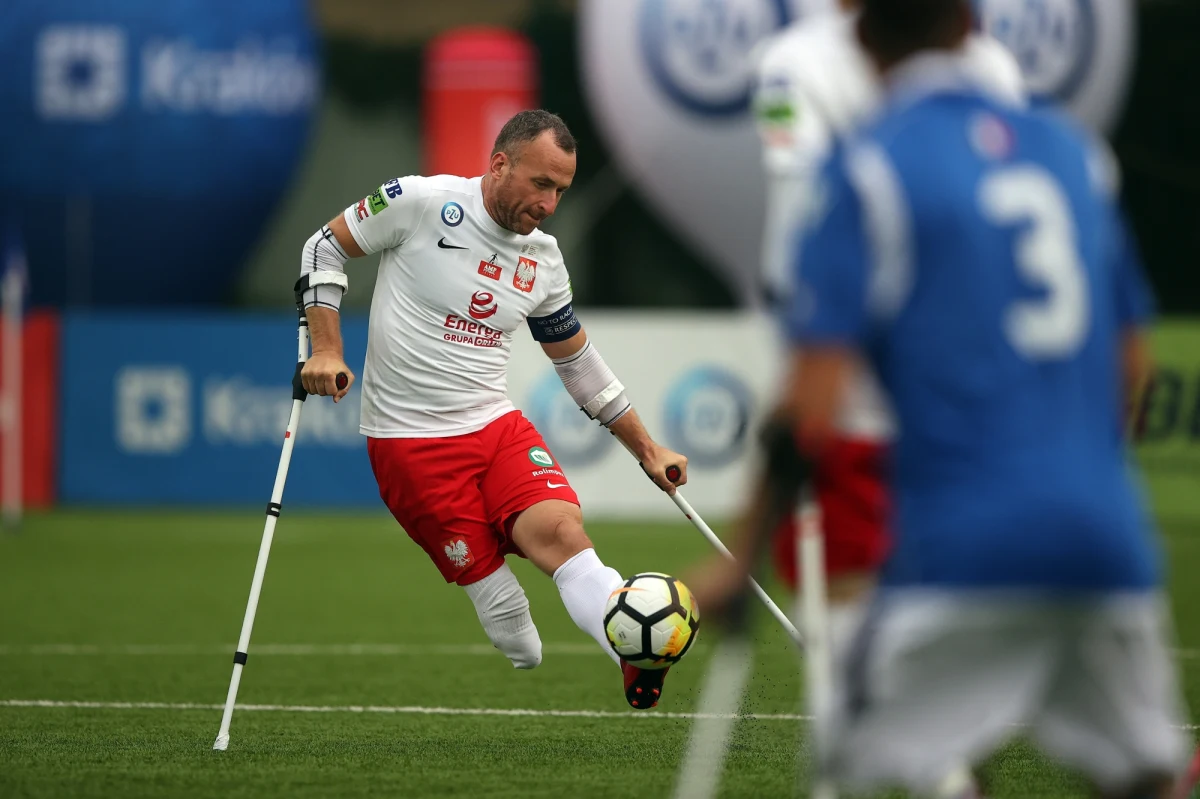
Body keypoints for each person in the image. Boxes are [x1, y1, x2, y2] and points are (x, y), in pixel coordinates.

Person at [694, 0, 1189, 795]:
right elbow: (1133, 363)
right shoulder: (1074, 152)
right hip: (1104, 538)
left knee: (849, 764)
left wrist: (740, 557)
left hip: (961, 545)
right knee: (1146, 772)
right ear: (971, 26)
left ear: (860, 37)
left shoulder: (865, 168)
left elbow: (809, 406)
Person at [295, 109, 688, 710]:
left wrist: (647, 448)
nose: (549, 204)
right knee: (519, 638)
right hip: (410, 445)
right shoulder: (419, 202)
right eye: (541, 183)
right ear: (500, 164)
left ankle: (631, 655)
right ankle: (518, 613)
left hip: (495, 427)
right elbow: (322, 248)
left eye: (561, 191)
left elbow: (577, 364)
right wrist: (326, 350)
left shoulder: (545, 261)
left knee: (562, 533)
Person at [749, 0, 1026, 663]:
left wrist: (800, 304)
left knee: (853, 532)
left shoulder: (793, 58)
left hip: (857, 331)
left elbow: (804, 192)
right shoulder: (995, 63)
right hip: (974, 334)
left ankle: (880, 694)